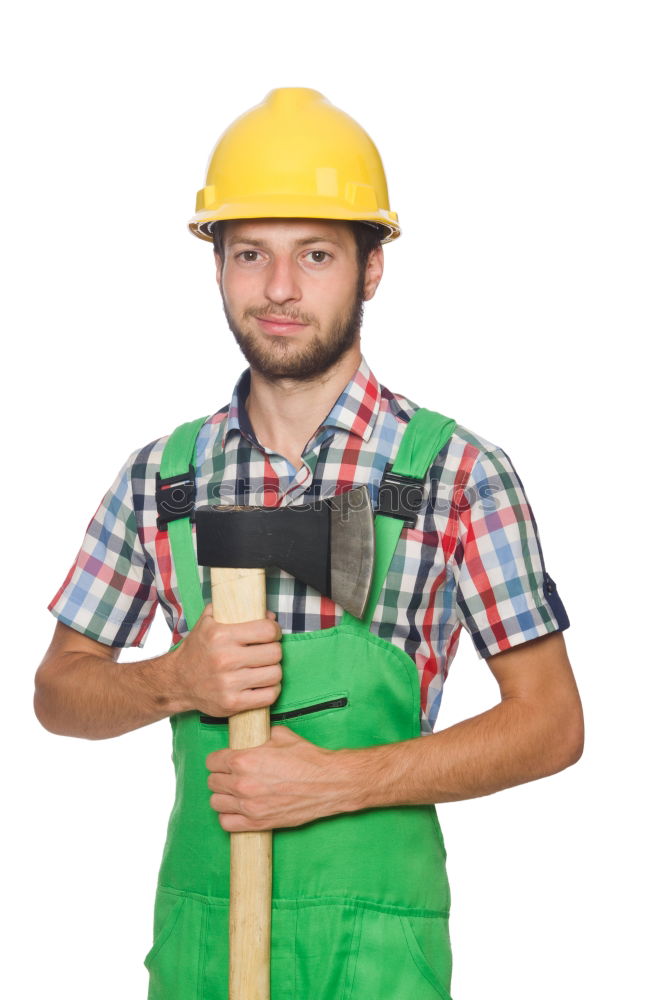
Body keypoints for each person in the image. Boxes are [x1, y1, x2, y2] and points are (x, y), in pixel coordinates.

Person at [34, 88, 584, 1000]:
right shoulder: (161, 476)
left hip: (374, 957)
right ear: (217, 265)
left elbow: (552, 721)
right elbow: (61, 691)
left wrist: (341, 782)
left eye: (316, 255)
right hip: (203, 943)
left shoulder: (455, 472)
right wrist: (173, 678)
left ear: (371, 269)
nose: (279, 290)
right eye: (251, 254)